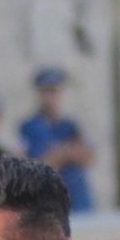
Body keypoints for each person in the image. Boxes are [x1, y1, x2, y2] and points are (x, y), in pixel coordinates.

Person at [19, 68, 96, 214]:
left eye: (54, 91)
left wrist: (62, 153)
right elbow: (40, 165)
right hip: (50, 205)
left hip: (79, 201)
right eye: (46, 91)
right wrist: (67, 153)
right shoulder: (31, 127)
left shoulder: (70, 126)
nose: (51, 97)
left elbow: (89, 156)